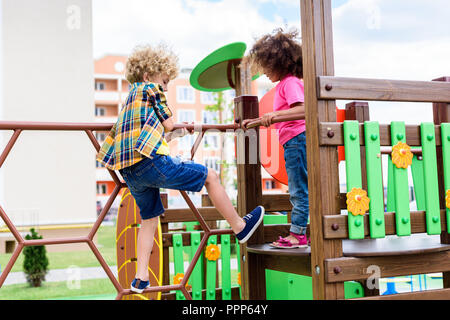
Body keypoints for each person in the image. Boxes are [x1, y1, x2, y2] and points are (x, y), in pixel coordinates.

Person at [96, 44, 264, 293]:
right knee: (211, 176)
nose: (165, 87)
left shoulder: (130, 100)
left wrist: (178, 133)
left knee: (149, 219)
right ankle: (240, 227)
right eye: (165, 81)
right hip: (150, 164)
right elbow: (168, 122)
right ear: (148, 76)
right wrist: (178, 126)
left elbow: (156, 134)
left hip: (130, 172)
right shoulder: (150, 89)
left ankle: (140, 278)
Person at [243, 28, 309, 249]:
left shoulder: (290, 82)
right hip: (294, 142)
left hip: (298, 140)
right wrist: (254, 122)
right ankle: (299, 232)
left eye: (266, 66)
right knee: (299, 188)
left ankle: (298, 235)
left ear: (279, 62)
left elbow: (304, 110)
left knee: (298, 189)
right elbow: (276, 117)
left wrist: (275, 115)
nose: (264, 72)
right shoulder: (285, 84)